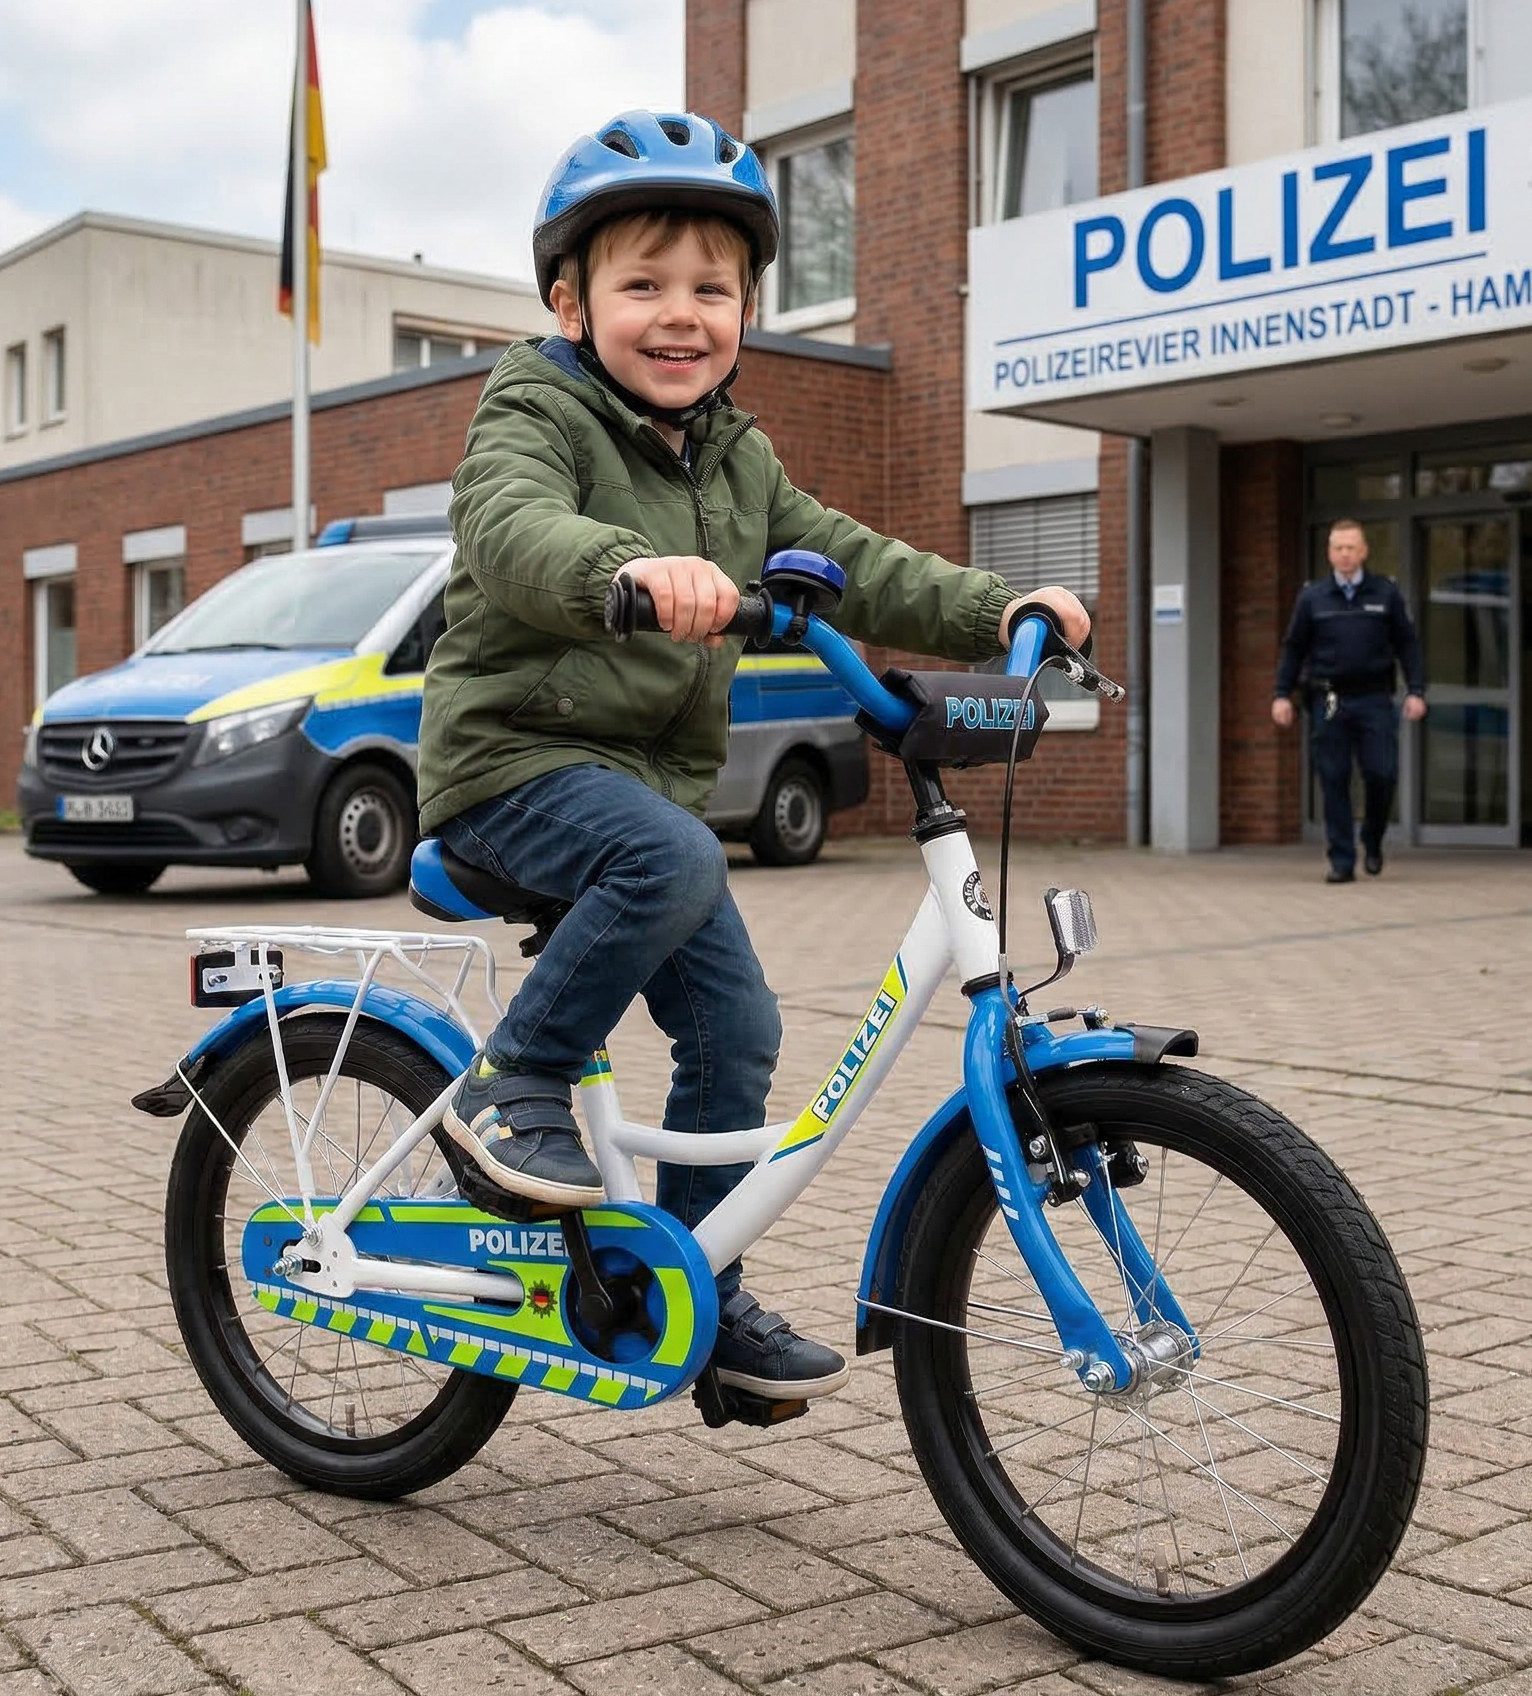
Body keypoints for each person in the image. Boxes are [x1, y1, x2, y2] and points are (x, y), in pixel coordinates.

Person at [415, 109, 1090, 1400]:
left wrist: (995, 608)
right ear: (570, 302)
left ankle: (704, 1294)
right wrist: (629, 571)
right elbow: (512, 531)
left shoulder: (739, 459)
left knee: (741, 1019)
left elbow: (856, 562)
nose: (681, 314)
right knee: (669, 854)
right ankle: (511, 1089)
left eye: (712, 289)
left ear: (747, 309)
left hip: (638, 802)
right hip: (510, 765)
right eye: (643, 285)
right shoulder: (532, 410)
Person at [1272, 518, 1426, 883]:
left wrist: (1416, 690)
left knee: (1382, 774)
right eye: (1338, 548)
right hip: (1329, 700)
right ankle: (1341, 861)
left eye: (1351, 547)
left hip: (1374, 698)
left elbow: (1407, 644)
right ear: (1329, 553)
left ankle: (1371, 839)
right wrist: (1282, 695)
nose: (1344, 554)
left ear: (1364, 551)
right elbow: (1294, 649)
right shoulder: (1313, 597)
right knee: (1334, 778)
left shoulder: (1385, 593)